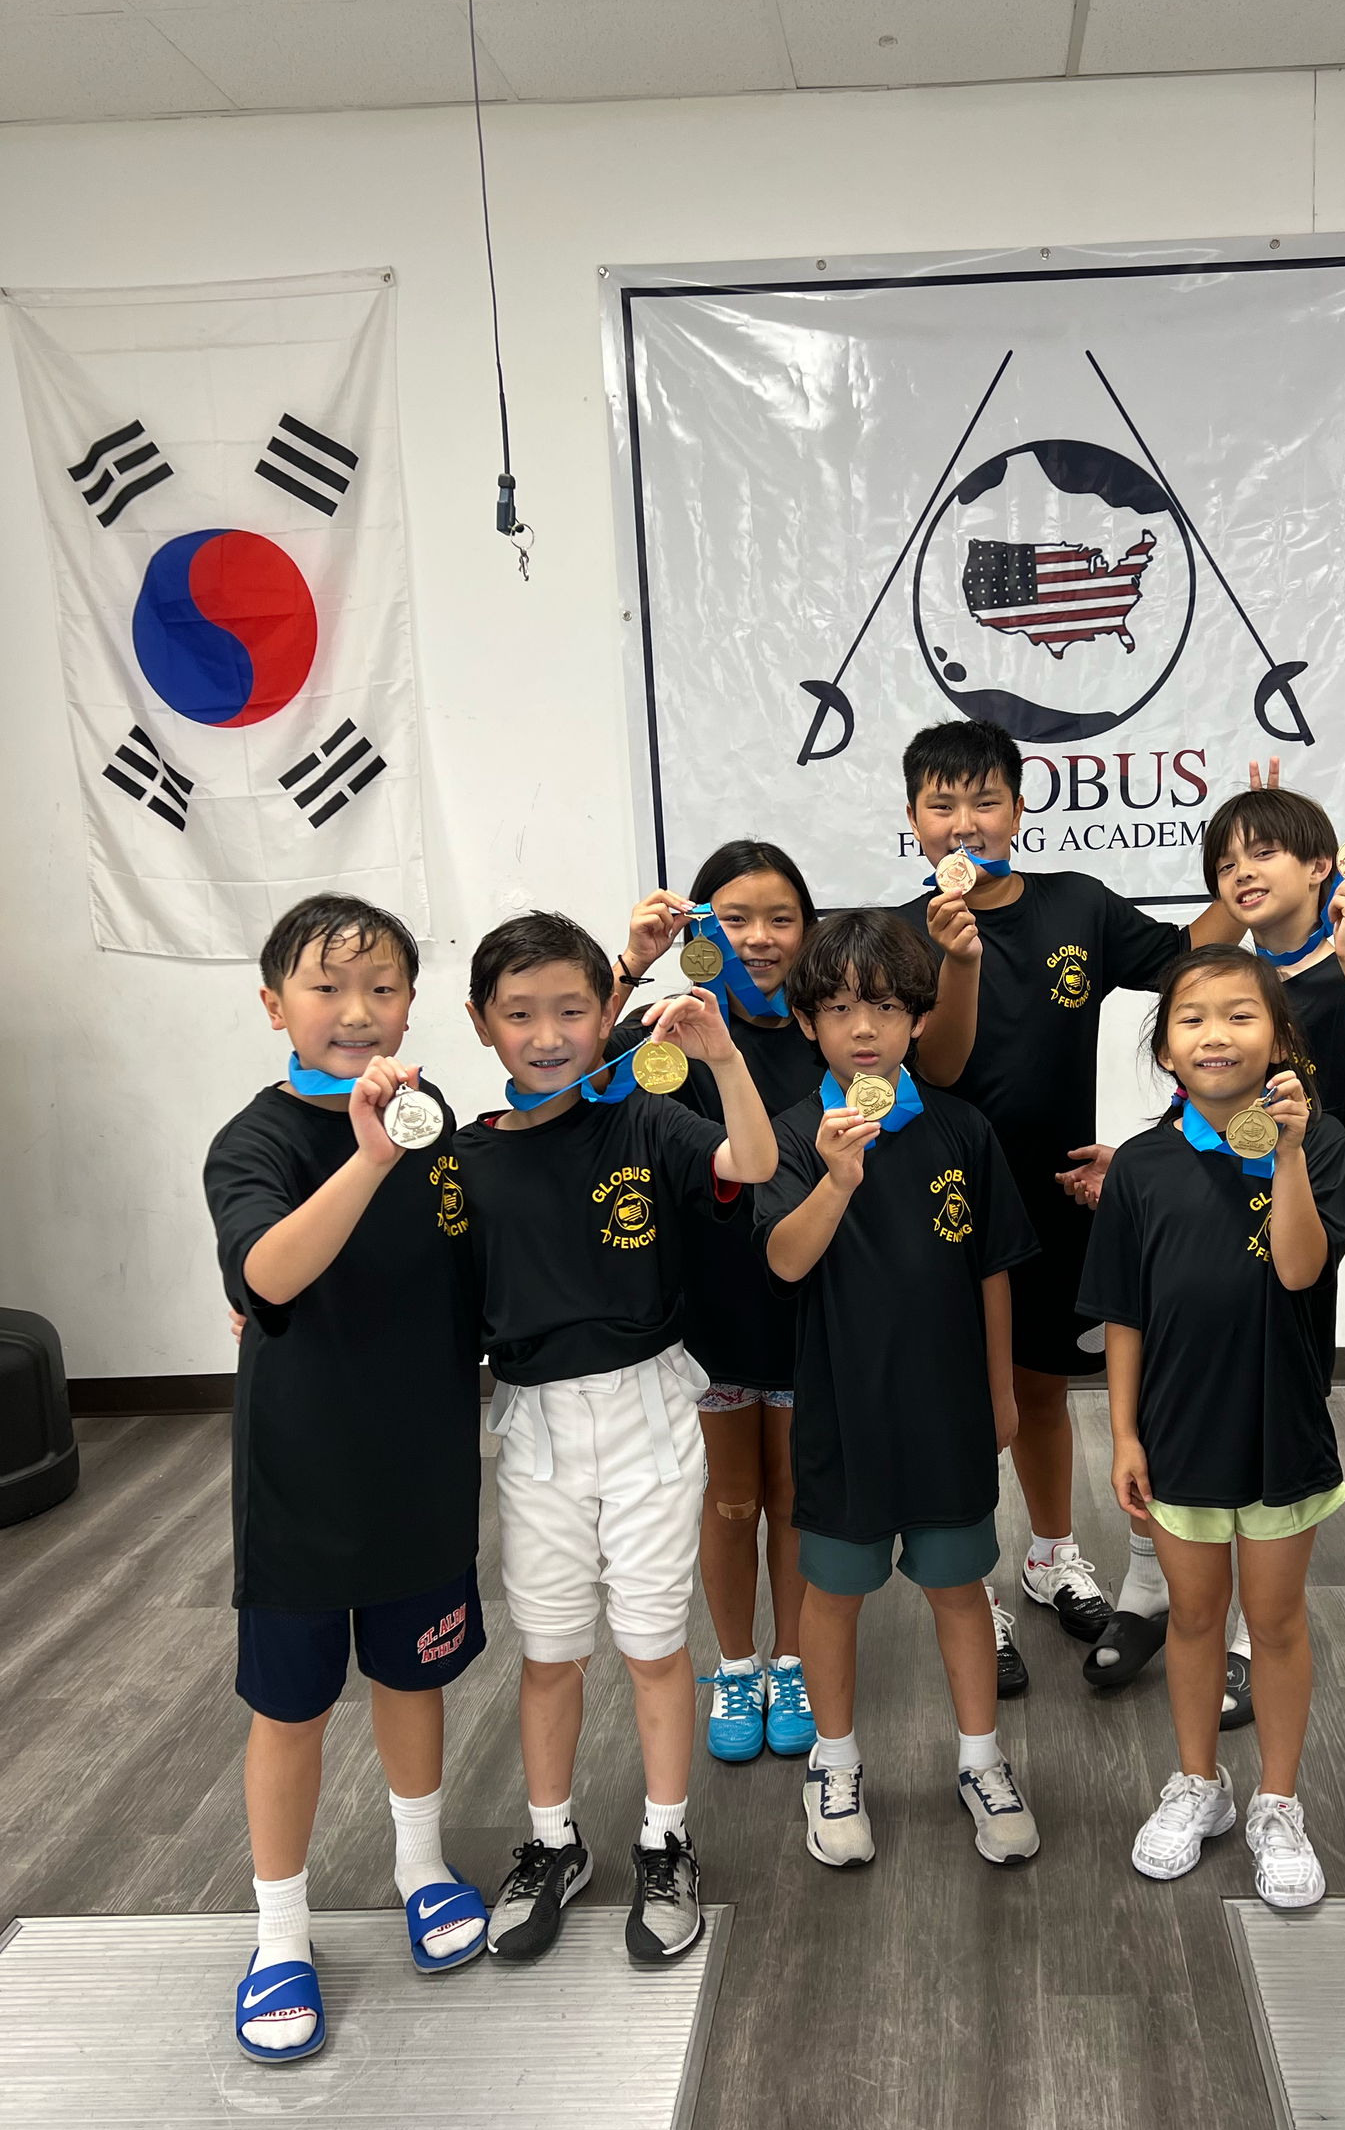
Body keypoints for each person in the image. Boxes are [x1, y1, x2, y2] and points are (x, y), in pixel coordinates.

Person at [611, 838, 985, 1761]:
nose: (758, 937)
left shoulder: (824, 1027)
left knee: (798, 1497)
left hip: (820, 1305)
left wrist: (962, 964)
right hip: (710, 1301)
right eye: (732, 918)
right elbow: (576, 1074)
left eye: (781, 917)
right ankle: (736, 1664)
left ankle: (789, 1659)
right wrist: (627, 966)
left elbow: (925, 1078)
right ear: (699, 927)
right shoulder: (674, 1025)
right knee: (730, 1500)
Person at [893, 718, 1249, 1684]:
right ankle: (977, 1596)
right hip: (940, 1202)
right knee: (967, 1399)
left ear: (1017, 806)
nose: (964, 822)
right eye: (942, 805)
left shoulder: (1076, 905)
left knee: (1044, 1391)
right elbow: (940, 1065)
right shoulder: (903, 936)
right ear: (914, 820)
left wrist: (1239, 890)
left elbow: (1182, 958)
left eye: (984, 800)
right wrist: (953, 959)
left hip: (1054, 1193)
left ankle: (1050, 1556)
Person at [454, 910, 777, 1967]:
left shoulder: (644, 1118)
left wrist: (723, 1058)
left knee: (652, 1645)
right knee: (548, 1654)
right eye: (521, 1014)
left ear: (609, 1015)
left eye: (572, 1010)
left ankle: (665, 1835)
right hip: (536, 1427)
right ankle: (553, 1843)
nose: (548, 1033)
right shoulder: (460, 1160)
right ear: (482, 1025)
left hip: (648, 1414)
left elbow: (755, 1158)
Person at [203, 894, 485, 2063]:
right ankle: (280, 1932)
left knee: (413, 1675)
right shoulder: (254, 1140)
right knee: (292, 1706)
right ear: (275, 1006)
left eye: (382, 988)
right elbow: (267, 1274)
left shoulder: (437, 1114)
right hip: (303, 1473)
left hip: (422, 1456)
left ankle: (422, 1864)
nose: (357, 1012)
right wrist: (368, 1160)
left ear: (413, 1003)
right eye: (326, 989)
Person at [1088, 761, 1345, 1726]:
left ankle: (1247, 1637)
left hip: (1294, 1223)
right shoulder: (1226, 984)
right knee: (1170, 1420)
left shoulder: (1333, 978)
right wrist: (1144, 1162)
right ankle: (1160, 1593)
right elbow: (1197, 1110)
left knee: (1271, 1421)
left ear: (1320, 866)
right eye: (1224, 860)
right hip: (1208, 1214)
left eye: (1265, 853)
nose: (1240, 873)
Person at [755, 909, 1042, 1872]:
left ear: (919, 1017)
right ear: (807, 1026)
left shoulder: (961, 1128)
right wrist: (835, 1181)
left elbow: (993, 1269)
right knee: (831, 1600)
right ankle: (834, 1767)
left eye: (882, 1005)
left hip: (950, 1411)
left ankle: (980, 1761)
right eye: (837, 1009)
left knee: (960, 1591)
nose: (862, 1028)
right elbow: (785, 1263)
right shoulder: (792, 1137)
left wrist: (1000, 1392)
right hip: (841, 1416)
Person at [1078, 947, 1345, 1901]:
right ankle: (1199, 1785)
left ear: (1277, 1040)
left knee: (1272, 1623)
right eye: (1191, 1018)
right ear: (1164, 1050)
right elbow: (1125, 1314)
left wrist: (1283, 1150)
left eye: (1240, 1016)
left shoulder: (1319, 1148)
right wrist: (1122, 1434)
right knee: (1193, 1617)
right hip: (1178, 1434)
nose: (1214, 1034)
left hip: (1282, 1435)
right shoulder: (1142, 1166)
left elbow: (1297, 1269)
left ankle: (1278, 1801)